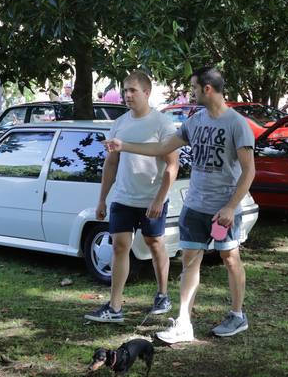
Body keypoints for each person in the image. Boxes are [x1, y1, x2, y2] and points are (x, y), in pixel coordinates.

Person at [106, 66, 255, 342]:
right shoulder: (195, 122)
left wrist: (231, 207)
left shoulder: (237, 124)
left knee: (230, 258)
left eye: (194, 88)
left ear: (207, 89)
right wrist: (123, 145)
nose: (191, 92)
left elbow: (249, 171)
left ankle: (237, 314)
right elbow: (162, 149)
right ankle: (184, 323)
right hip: (195, 206)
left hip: (223, 208)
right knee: (189, 262)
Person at [85, 71, 179, 323]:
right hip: (123, 198)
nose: (127, 95)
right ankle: (114, 307)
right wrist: (102, 198)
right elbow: (111, 164)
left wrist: (160, 198)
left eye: (132, 90)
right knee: (119, 246)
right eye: (125, 90)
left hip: (151, 199)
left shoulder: (162, 124)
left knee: (154, 244)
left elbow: (172, 165)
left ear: (147, 92)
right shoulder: (120, 123)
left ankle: (163, 294)